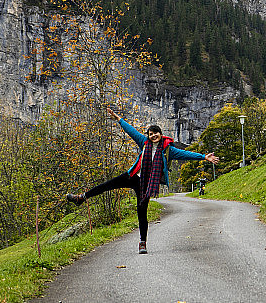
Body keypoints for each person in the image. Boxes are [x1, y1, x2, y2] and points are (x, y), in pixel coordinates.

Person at [66, 107, 219, 254]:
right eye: (151, 134)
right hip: (132, 176)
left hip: (145, 184)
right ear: (148, 136)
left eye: (156, 133)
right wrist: (118, 119)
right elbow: (131, 131)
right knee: (107, 185)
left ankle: (142, 243)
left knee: (141, 211)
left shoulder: (168, 150)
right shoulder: (144, 143)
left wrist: (204, 157)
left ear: (161, 134)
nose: (153, 136)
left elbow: (186, 154)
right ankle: (81, 198)